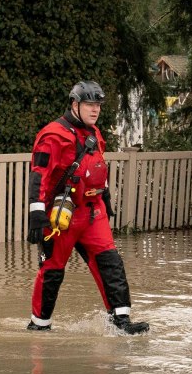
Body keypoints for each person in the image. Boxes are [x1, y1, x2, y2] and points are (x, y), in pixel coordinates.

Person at [26, 81, 149, 334]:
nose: (95, 110)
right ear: (74, 105)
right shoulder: (52, 135)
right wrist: (37, 213)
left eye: (98, 105)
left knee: (111, 263)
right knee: (52, 271)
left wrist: (105, 198)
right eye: (90, 105)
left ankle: (121, 323)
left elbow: (97, 167)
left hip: (93, 213)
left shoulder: (95, 134)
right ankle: (39, 327)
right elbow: (39, 174)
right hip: (62, 215)